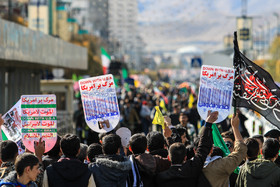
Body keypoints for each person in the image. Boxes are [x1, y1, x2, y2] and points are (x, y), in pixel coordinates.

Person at [156, 111, 217, 187]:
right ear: (185, 157)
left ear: (169, 157)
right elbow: (202, 149)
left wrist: (169, 134)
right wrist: (208, 123)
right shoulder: (192, 169)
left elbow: (176, 147)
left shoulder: (161, 177)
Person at [200, 113, 247, 187]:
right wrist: (235, 128)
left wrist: (208, 123)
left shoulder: (243, 166)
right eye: (222, 145)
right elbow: (240, 150)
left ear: (235, 145)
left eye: (228, 145)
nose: (225, 148)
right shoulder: (222, 165)